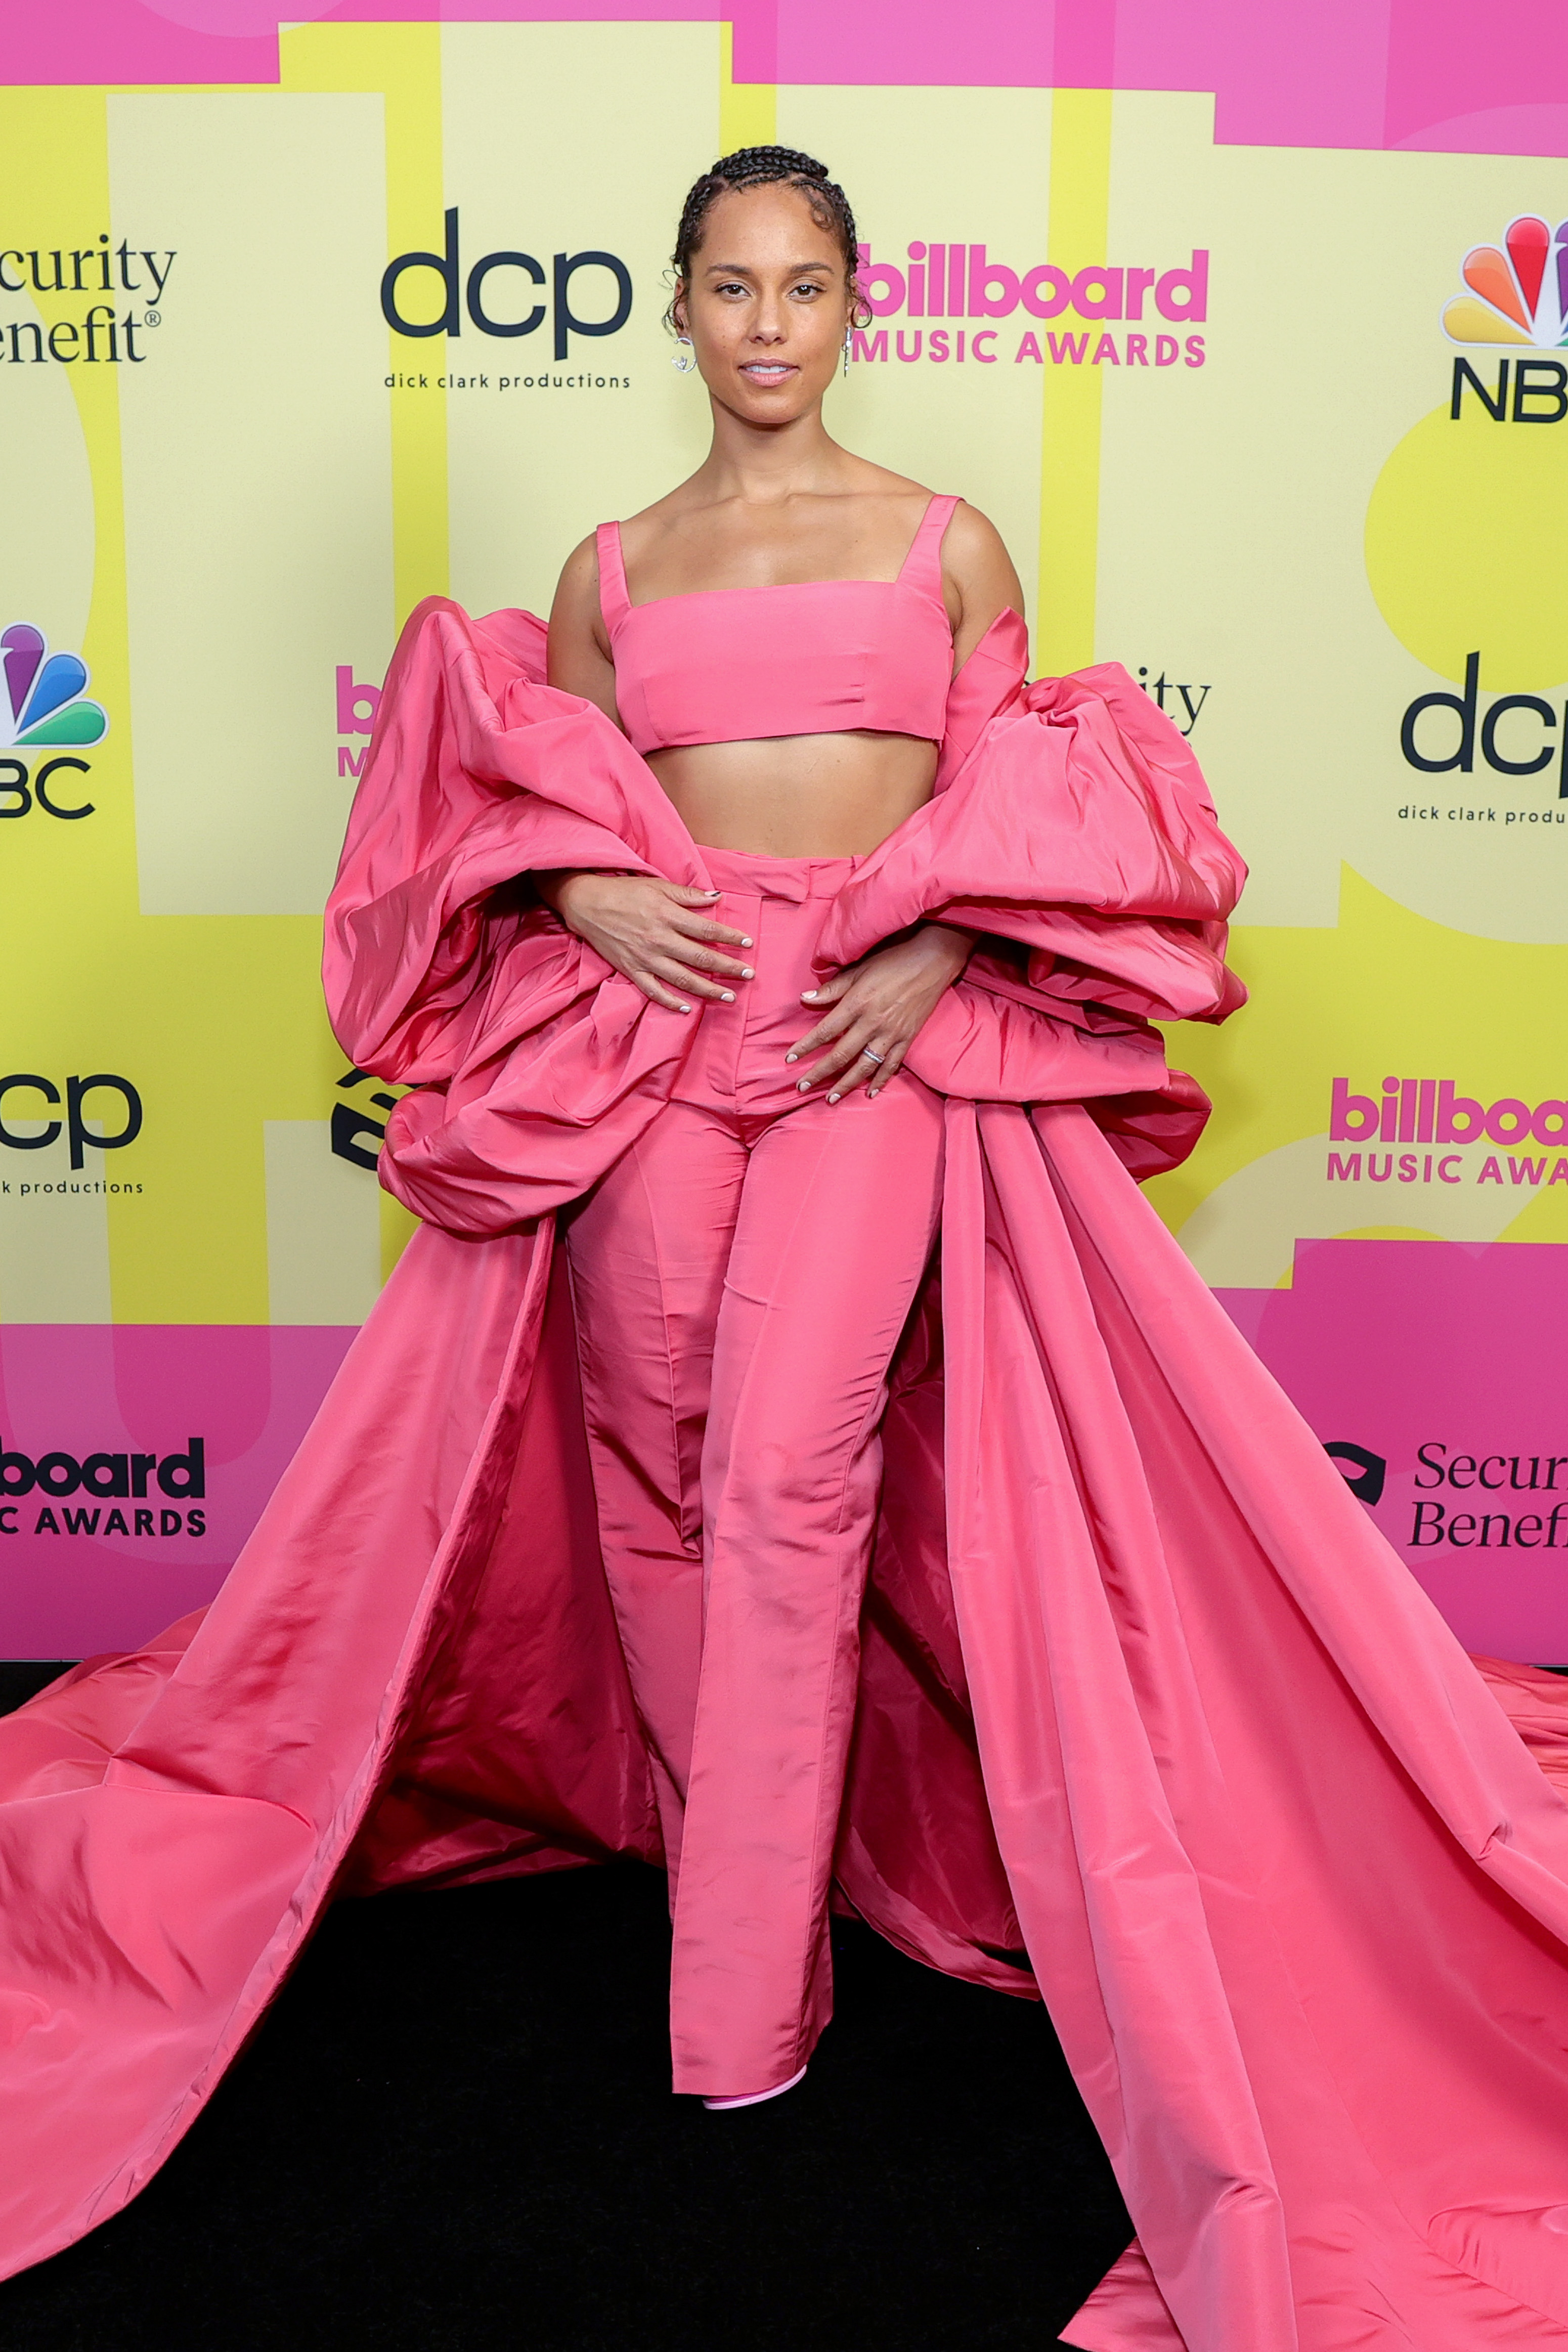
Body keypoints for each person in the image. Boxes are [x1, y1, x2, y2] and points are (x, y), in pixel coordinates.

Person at [5, 146, 1568, 2352]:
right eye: (728, 287)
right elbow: (518, 806)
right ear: (678, 307)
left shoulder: (944, 543)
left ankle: (745, 2006)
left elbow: (1029, 800)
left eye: (802, 286)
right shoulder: (609, 566)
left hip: (858, 1035)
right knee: (650, 1449)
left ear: (855, 305)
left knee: (791, 1467)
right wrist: (576, 904)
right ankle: (737, 1847)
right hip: (650, 1034)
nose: (765, 324)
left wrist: (935, 950)